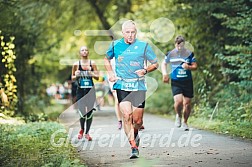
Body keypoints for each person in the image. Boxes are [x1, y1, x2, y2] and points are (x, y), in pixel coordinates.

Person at [104, 20, 158, 159]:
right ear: (122, 33)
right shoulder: (115, 46)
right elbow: (106, 59)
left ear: (136, 32)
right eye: (127, 32)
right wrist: (110, 73)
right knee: (127, 116)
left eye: (133, 32)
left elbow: (155, 64)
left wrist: (145, 70)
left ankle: (135, 133)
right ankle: (133, 146)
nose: (130, 35)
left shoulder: (143, 46)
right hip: (122, 85)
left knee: (138, 121)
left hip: (138, 85)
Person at [161, 35, 197, 131]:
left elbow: (195, 66)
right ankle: (178, 115)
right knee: (179, 101)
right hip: (176, 81)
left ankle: (185, 122)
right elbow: (163, 63)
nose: (179, 47)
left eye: (181, 45)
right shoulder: (170, 54)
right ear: (175, 44)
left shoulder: (189, 54)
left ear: (184, 44)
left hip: (187, 81)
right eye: (178, 46)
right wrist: (165, 74)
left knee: (187, 103)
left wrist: (188, 67)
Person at [72, 46, 99, 141]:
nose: (84, 51)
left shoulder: (93, 63)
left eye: (86, 50)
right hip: (80, 91)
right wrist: (76, 75)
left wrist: (92, 74)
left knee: (90, 112)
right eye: (82, 50)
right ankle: (81, 130)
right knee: (82, 112)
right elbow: (72, 77)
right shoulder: (76, 64)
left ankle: (87, 133)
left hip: (90, 90)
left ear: (88, 52)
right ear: (80, 53)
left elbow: (97, 76)